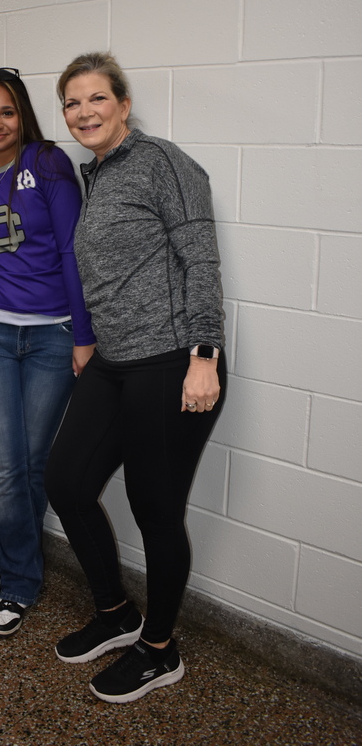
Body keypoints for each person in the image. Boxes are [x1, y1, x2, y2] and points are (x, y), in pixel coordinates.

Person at [45, 52, 226, 703]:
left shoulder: (162, 162)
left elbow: (199, 258)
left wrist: (204, 354)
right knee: (64, 479)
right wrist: (87, 343)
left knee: (154, 509)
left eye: (95, 98)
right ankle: (116, 615)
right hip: (114, 362)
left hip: (174, 361)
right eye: (71, 102)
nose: (83, 112)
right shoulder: (94, 174)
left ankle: (159, 648)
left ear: (122, 103)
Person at [0, 67, 95, 637]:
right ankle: (18, 573)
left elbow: (71, 250)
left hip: (52, 336)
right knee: (4, 462)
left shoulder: (47, 164)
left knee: (31, 465)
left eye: (6, 111)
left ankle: (13, 572)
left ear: (22, 116)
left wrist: (84, 335)